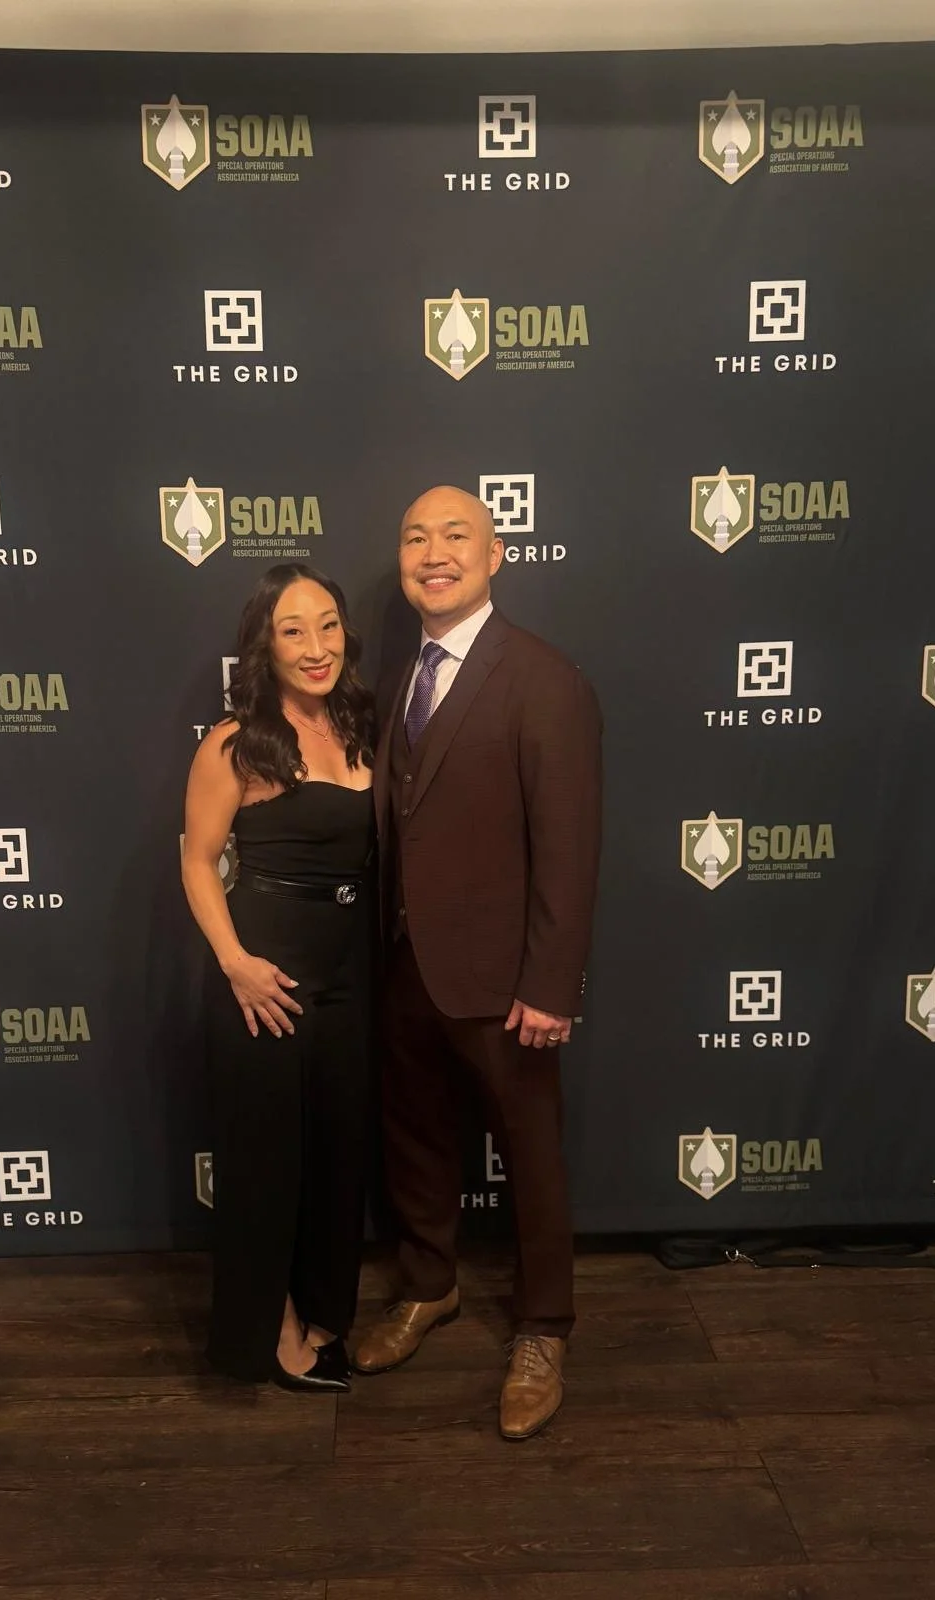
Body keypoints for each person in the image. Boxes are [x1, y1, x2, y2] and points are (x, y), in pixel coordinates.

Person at [353, 485, 603, 1440]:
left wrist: (550, 981)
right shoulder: (396, 680)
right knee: (414, 1134)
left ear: (497, 554)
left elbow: (569, 844)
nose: (433, 552)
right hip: (405, 961)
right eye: (415, 536)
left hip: (506, 981)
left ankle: (544, 1328)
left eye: (456, 535)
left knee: (531, 1151)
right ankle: (429, 1287)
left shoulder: (543, 678)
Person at [182, 563, 376, 1392]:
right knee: (266, 1166)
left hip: (350, 970)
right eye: (293, 630)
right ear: (265, 644)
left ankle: (326, 1306)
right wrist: (236, 965)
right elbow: (195, 861)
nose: (315, 646)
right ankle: (271, 1333)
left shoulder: (360, 723)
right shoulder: (235, 742)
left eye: (327, 625)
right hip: (265, 975)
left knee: (337, 1154)